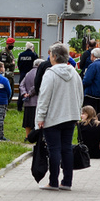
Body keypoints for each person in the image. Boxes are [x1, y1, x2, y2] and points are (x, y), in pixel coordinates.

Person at [35, 43, 84, 190]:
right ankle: (67, 182)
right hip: (71, 116)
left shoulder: (50, 74)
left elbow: (44, 97)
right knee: (67, 148)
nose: (49, 58)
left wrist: (40, 117)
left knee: (54, 149)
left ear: (55, 56)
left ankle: (53, 182)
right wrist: (77, 111)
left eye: (50, 55)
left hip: (53, 117)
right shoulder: (75, 73)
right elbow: (80, 95)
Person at [20, 59, 43, 138]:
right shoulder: (40, 73)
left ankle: (27, 136)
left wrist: (24, 93)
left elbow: (21, 85)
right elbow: (37, 85)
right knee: (35, 121)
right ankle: (36, 137)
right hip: (36, 101)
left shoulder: (28, 73)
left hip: (28, 102)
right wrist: (30, 94)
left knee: (27, 120)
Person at [16, 42, 38, 112]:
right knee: (32, 89)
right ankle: (31, 105)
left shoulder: (21, 55)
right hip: (31, 74)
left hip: (22, 74)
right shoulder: (33, 55)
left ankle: (19, 106)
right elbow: (36, 64)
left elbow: (18, 65)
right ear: (32, 48)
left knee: (22, 89)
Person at [0, 37, 16, 103]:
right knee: (7, 90)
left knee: (11, 91)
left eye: (13, 44)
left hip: (10, 74)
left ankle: (6, 104)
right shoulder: (4, 53)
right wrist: (11, 64)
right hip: (6, 74)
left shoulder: (10, 52)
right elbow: (3, 63)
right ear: (7, 44)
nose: (12, 46)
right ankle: (4, 104)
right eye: (11, 44)